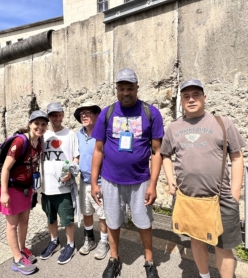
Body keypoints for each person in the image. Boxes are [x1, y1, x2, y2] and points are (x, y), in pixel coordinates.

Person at [161, 79, 246, 278]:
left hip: (222, 198)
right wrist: (170, 178)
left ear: (204, 98)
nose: (191, 99)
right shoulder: (173, 127)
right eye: (186, 96)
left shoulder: (222, 123)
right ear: (181, 101)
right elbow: (164, 154)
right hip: (189, 199)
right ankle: (204, 275)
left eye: (196, 95)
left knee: (223, 247)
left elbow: (237, 156)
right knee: (196, 241)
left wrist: (234, 192)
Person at [91, 68, 164, 278]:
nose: (125, 92)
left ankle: (149, 262)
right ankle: (114, 259)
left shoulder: (151, 113)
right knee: (112, 222)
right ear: (116, 89)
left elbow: (157, 151)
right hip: (110, 180)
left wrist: (153, 185)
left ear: (137, 88)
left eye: (130, 88)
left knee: (144, 222)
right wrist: (95, 183)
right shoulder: (107, 113)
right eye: (121, 88)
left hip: (140, 181)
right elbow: (98, 150)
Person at [0, 110, 49, 275]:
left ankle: (23, 248)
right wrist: (4, 193)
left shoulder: (38, 142)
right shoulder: (20, 141)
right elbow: (5, 168)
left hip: (27, 188)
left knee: (24, 221)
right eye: (36, 124)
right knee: (12, 224)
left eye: (43, 124)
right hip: (12, 188)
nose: (40, 127)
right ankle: (17, 258)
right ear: (30, 124)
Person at [40, 102, 80, 264]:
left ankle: (70, 244)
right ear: (48, 117)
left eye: (59, 114)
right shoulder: (43, 135)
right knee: (50, 218)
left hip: (63, 187)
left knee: (67, 218)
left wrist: (71, 171)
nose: (57, 118)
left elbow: (76, 157)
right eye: (53, 115)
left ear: (63, 115)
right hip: (46, 186)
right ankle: (54, 240)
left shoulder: (70, 135)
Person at [73, 101, 110, 260]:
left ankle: (104, 241)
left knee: (102, 214)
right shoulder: (78, 135)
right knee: (86, 212)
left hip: (101, 182)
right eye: (82, 114)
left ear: (97, 115)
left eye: (88, 113)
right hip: (84, 180)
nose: (84, 116)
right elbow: (76, 156)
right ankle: (90, 239)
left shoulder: (103, 133)